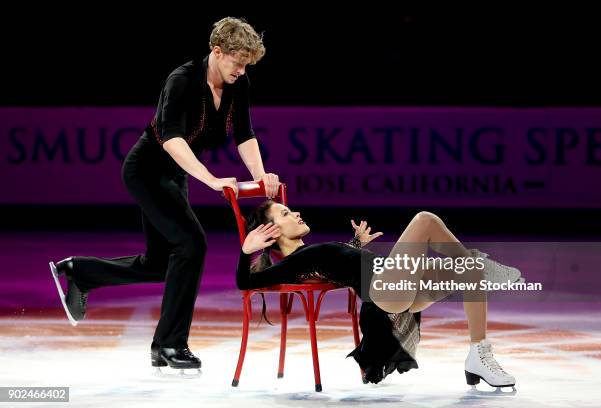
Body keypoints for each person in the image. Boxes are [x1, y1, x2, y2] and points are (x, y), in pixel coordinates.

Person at [48, 17, 279, 372]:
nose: (242, 70)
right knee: (191, 245)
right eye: (238, 62)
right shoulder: (182, 80)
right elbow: (172, 139)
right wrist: (212, 179)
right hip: (147, 172)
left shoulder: (239, 83)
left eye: (247, 63)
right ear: (217, 52)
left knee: (161, 264)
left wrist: (261, 176)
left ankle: (82, 273)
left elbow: (244, 133)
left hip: (174, 176)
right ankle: (170, 345)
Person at [236, 200, 522, 388]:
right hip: (384, 290)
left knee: (469, 274)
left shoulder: (309, 254)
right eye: (285, 214)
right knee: (424, 220)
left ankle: (478, 354)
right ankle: (473, 260)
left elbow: (341, 266)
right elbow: (246, 282)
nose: (296, 213)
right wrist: (246, 250)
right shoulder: (295, 261)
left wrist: (355, 244)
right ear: (272, 232)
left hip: (397, 285)